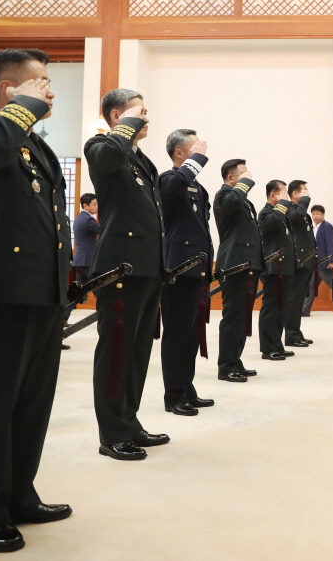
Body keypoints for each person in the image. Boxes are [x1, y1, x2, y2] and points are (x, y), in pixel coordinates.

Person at [0, 48, 73, 552]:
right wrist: (19, 109)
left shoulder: (38, 147)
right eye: (41, 81)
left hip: (42, 289)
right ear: (10, 88)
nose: (51, 89)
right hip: (4, 288)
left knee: (32, 404)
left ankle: (20, 495)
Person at [85, 89, 169, 461]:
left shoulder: (139, 160)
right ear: (118, 116)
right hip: (121, 267)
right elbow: (105, 158)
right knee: (117, 351)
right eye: (141, 112)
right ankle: (112, 433)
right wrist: (126, 126)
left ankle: (130, 422)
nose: (147, 118)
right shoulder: (102, 147)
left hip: (148, 266)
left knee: (137, 351)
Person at [159, 129, 214, 415]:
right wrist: (198, 159)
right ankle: (174, 395)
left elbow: (203, 230)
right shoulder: (169, 179)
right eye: (194, 147)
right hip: (177, 269)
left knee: (191, 334)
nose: (201, 149)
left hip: (197, 269)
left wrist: (208, 267)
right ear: (180, 153)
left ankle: (187, 387)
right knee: (177, 334)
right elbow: (174, 187)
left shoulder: (199, 189)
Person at [214, 159, 262, 383]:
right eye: (243, 174)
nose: (248, 176)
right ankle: (226, 366)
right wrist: (245, 184)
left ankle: (236, 360)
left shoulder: (245, 202)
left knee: (242, 317)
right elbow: (232, 202)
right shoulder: (224, 196)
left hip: (248, 265)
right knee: (233, 317)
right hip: (234, 265)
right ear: (231, 178)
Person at [256, 180, 299, 360]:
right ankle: (268, 348)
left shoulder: (282, 215)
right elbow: (271, 223)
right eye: (283, 194)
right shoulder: (266, 213)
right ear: (273, 195)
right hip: (273, 268)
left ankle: (277, 344)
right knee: (271, 308)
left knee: (282, 309)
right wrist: (281, 205)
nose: (287, 198)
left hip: (285, 268)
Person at [62, 192, 100, 335]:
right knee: (99, 287)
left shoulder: (79, 218)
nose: (96, 207)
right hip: (88, 260)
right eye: (94, 204)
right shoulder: (88, 220)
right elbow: (103, 230)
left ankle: (63, 316)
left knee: (78, 292)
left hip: (81, 259)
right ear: (86, 205)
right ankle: (107, 313)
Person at [284, 180, 316, 346]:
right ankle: (291, 335)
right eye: (304, 190)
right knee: (293, 300)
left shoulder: (303, 212)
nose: (308, 193)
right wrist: (304, 201)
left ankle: (296, 333)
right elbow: (295, 216)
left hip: (306, 262)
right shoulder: (290, 208)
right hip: (297, 262)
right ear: (295, 194)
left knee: (299, 301)